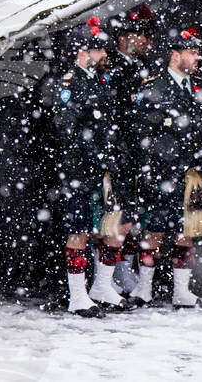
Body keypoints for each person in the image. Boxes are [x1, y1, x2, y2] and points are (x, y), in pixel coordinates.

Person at [127, 27, 202, 309]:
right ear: (175, 55)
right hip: (163, 171)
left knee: (186, 232)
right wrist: (146, 170)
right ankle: (144, 287)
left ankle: (181, 291)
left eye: (198, 52)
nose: (198, 57)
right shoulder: (153, 87)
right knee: (154, 232)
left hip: (192, 173)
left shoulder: (200, 86)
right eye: (192, 52)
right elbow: (141, 134)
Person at [52, 17, 135, 317]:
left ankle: (101, 287)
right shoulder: (69, 83)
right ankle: (77, 297)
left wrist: (119, 153)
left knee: (118, 227)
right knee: (80, 232)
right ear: (82, 52)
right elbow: (68, 131)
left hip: (105, 171)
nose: (104, 55)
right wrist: (97, 156)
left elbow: (108, 125)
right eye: (99, 50)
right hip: (80, 172)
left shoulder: (98, 80)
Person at [104, 5, 156, 294]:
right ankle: (109, 273)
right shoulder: (110, 67)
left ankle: (124, 267)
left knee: (135, 216)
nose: (146, 41)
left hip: (138, 152)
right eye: (140, 35)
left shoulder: (144, 68)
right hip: (118, 151)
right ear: (123, 37)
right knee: (114, 218)